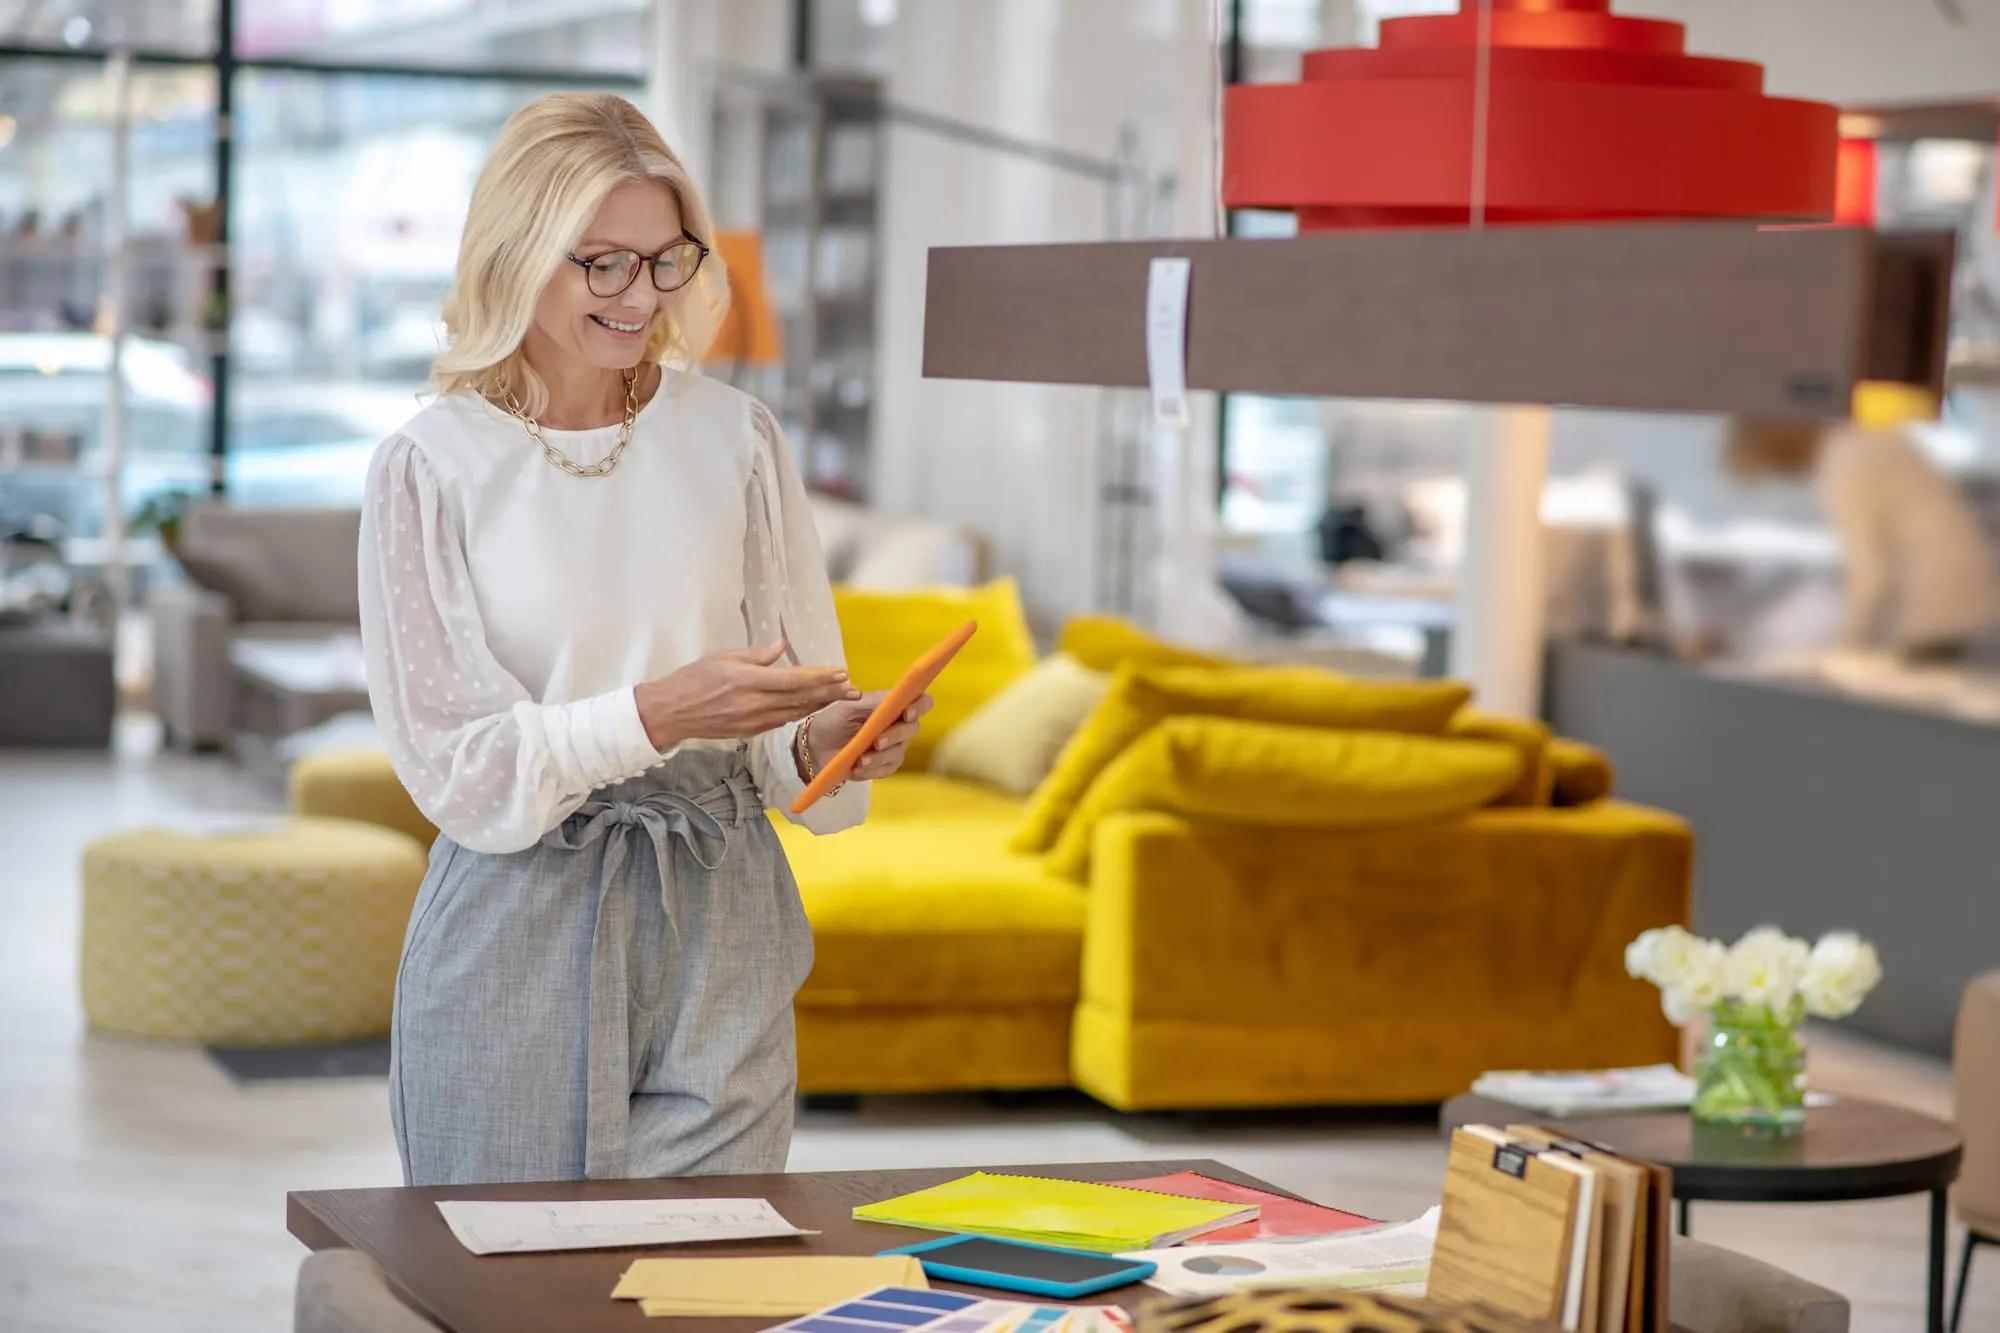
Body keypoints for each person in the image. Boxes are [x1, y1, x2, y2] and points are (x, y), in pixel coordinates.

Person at [357, 92, 932, 1187]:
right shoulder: (432, 467)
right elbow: (461, 764)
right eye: (602, 264)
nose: (643, 296)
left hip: (724, 901)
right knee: (507, 1284)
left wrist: (825, 743)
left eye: (666, 260)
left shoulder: (734, 437)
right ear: (517, 255)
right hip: (521, 909)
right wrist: (662, 711)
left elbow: (785, 709)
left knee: (704, 1280)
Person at [1724, 414, 2000, 663]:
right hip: (1954, 591)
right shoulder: (1859, 436)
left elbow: (1869, 573)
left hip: (1935, 604)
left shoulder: (1844, 458)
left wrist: (1845, 647)